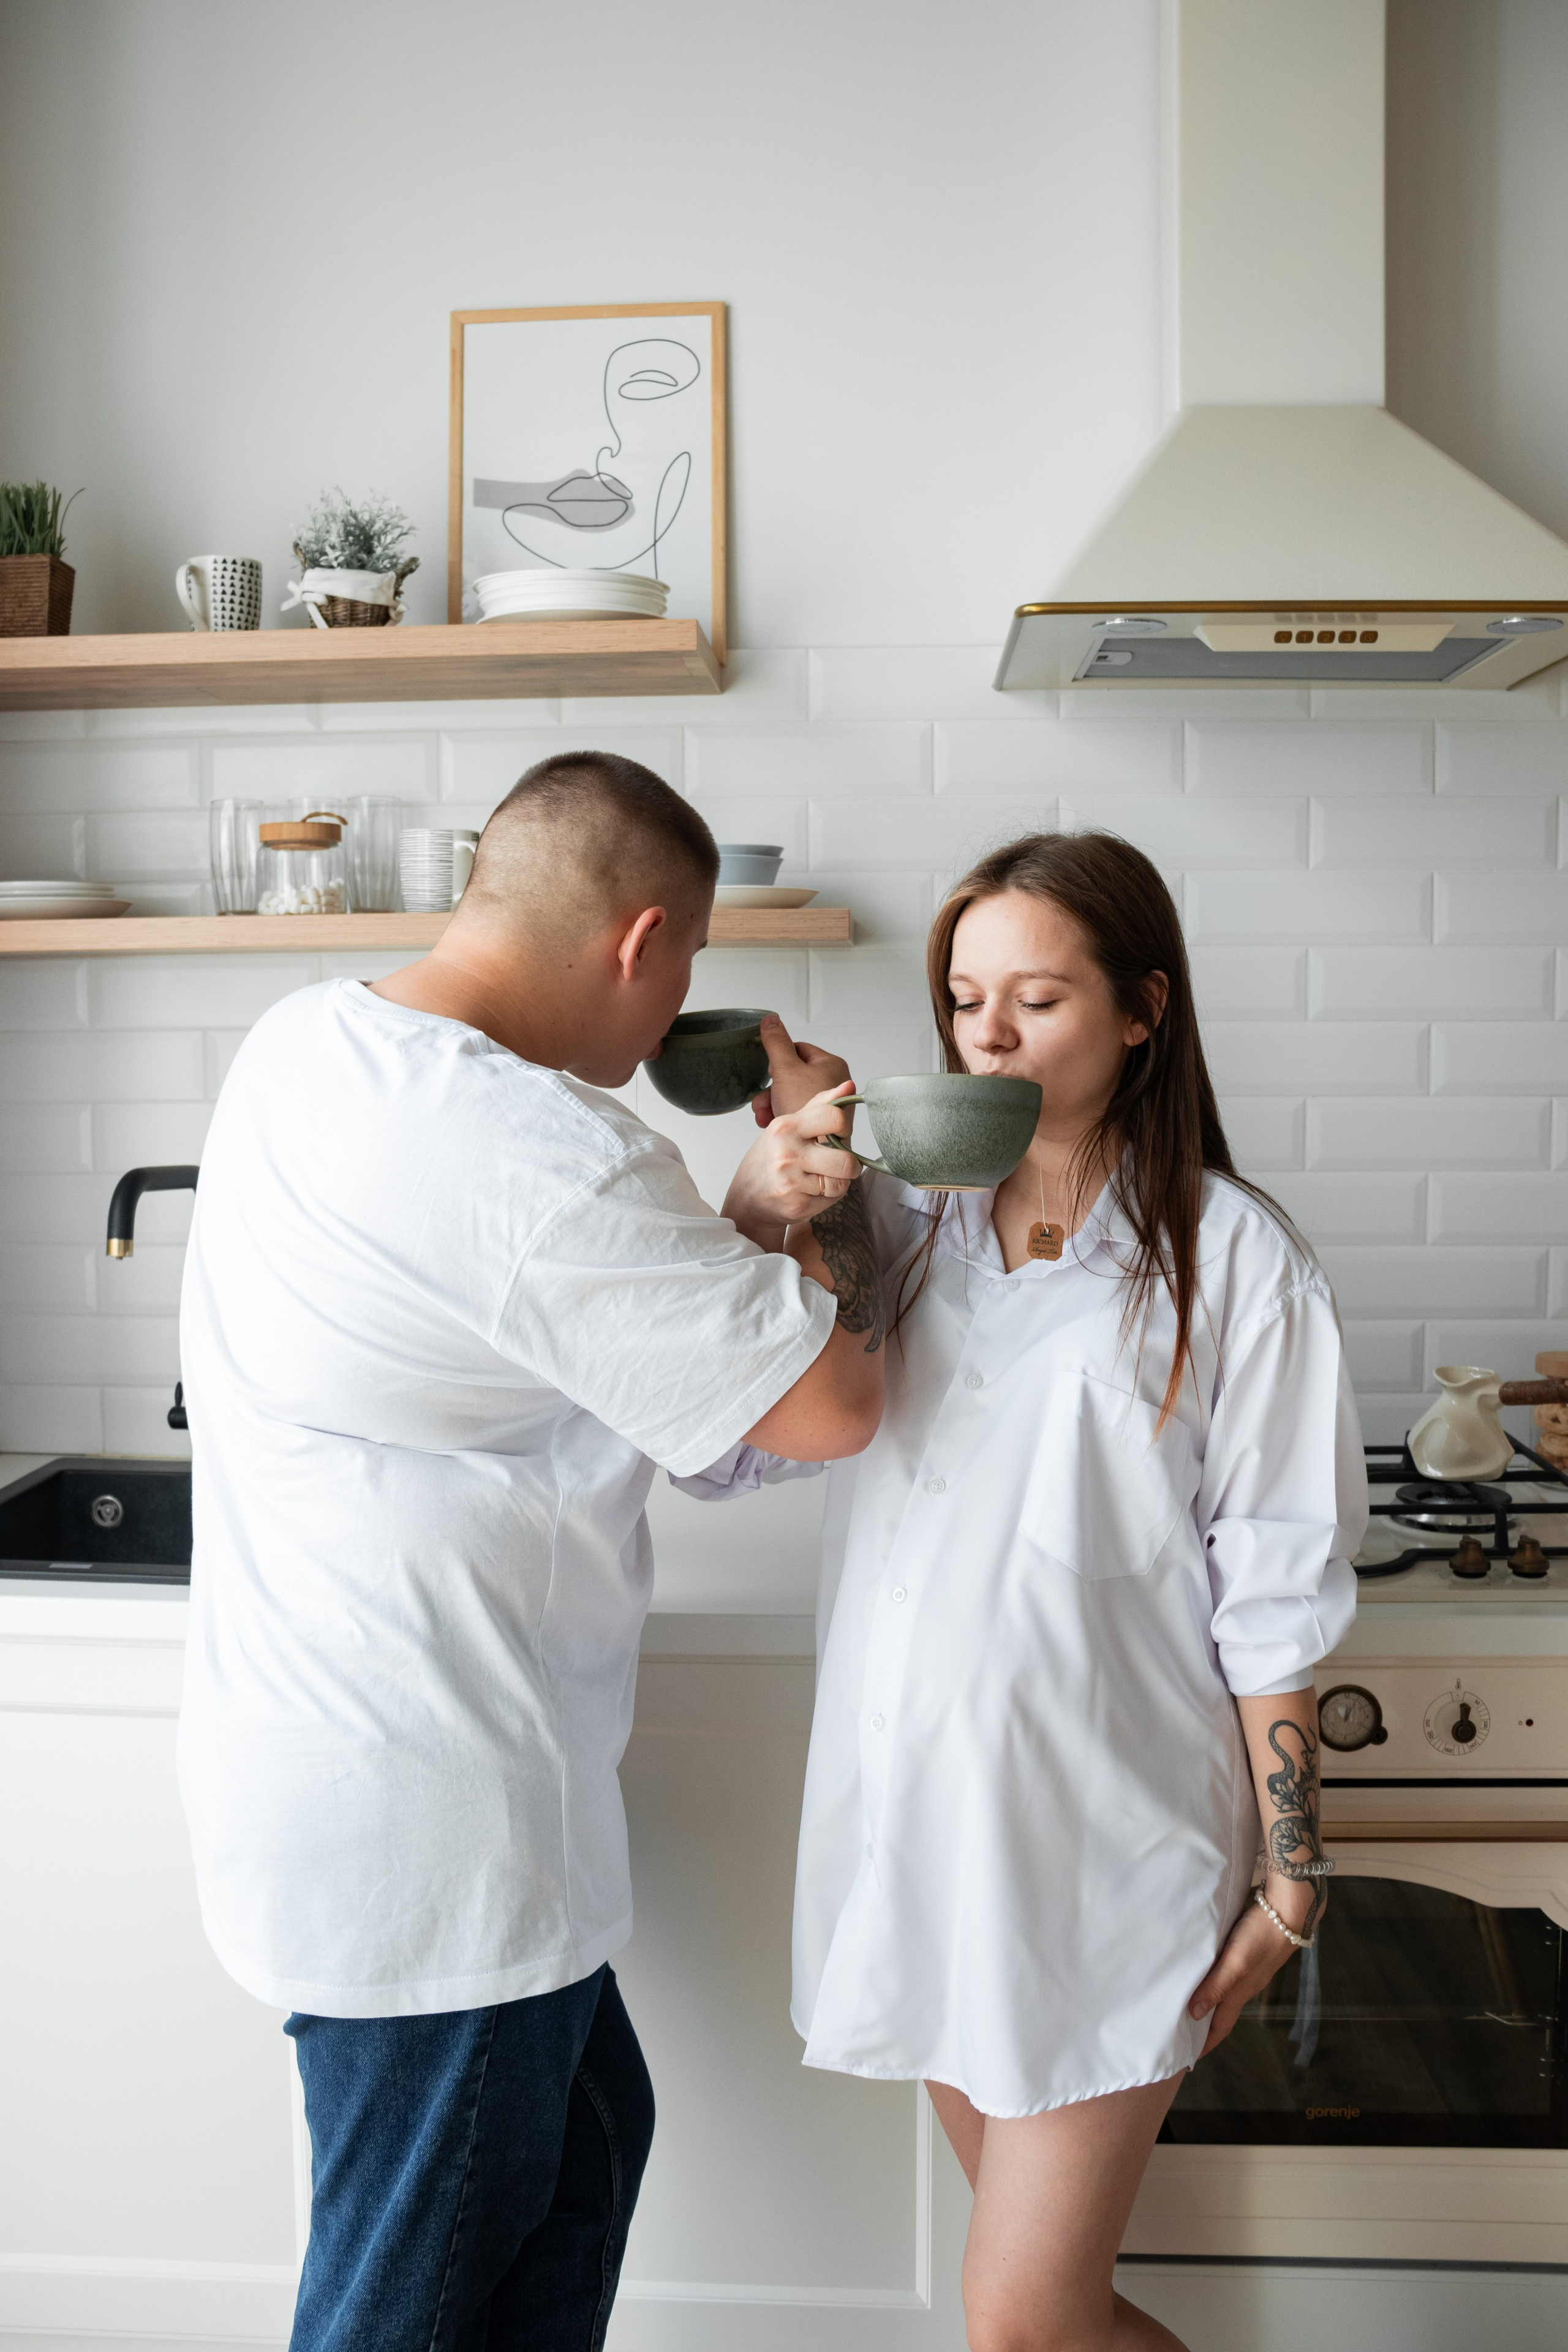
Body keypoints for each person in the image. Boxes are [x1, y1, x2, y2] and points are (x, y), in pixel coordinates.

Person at [175, 751, 883, 2352]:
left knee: (582, 2151)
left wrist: (745, 1223)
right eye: (689, 964)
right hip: (440, 1829)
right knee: (405, 2300)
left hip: (339, 1777)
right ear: (642, 943)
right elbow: (832, 1406)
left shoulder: (312, 1043)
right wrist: (832, 1178)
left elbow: (560, 1352)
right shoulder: (543, 1149)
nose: (678, 1005)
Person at [712, 830, 1366, 2352]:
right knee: (1048, 2321)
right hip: (920, 1832)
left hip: (1109, 1849)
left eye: (1036, 999)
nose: (987, 1037)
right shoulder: (897, 1230)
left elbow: (1272, 1583)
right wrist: (768, 1215)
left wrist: (1292, 1871)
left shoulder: (1233, 1260)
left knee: (1016, 2319)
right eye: (961, 1001)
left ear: (1142, 1010)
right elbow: (726, 1455)